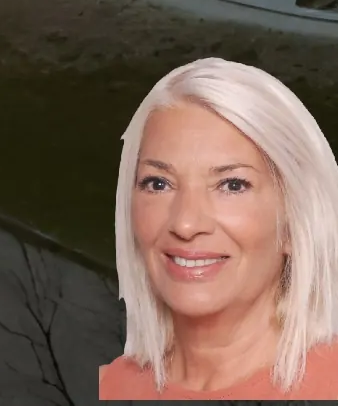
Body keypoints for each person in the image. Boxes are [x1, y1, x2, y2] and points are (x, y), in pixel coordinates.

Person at [101, 58, 338, 399]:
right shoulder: (105, 388)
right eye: (158, 184)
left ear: (294, 222)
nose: (185, 223)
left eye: (232, 185)